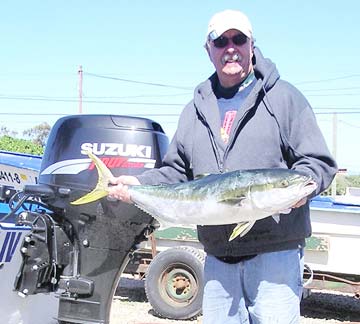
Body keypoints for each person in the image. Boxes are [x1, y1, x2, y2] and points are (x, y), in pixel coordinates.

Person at [108, 9, 338, 324]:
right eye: (221, 41)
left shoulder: (284, 99)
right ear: (208, 49)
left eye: (238, 38)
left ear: (252, 44)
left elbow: (318, 164)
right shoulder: (194, 110)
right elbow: (176, 172)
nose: (230, 47)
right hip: (218, 259)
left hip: (276, 257)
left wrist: (300, 188)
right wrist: (138, 185)